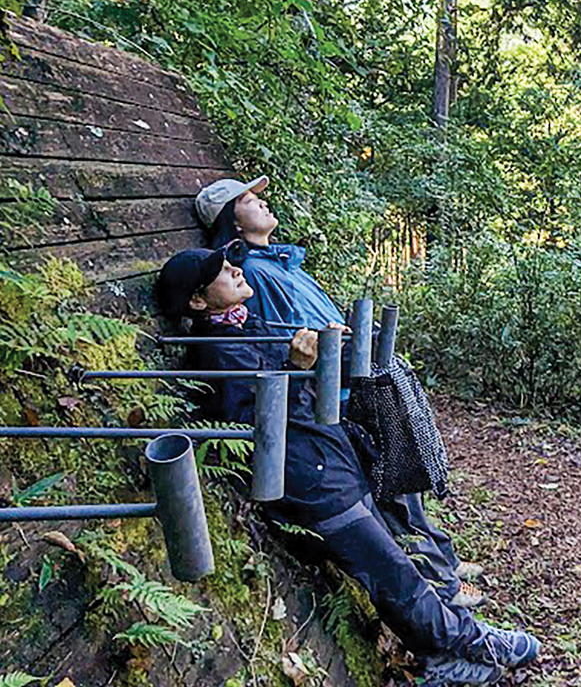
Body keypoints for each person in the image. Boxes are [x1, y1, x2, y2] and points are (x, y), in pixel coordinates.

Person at [155, 246, 539, 685]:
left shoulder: (249, 324)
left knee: (390, 566)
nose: (234, 268)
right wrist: (295, 366)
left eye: (228, 262)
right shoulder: (216, 351)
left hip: (330, 462)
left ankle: (440, 661)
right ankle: (477, 642)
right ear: (199, 302)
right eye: (220, 271)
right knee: (391, 571)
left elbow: (297, 400)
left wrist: (324, 354)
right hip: (311, 481)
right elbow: (255, 430)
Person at [195, 176, 485, 608]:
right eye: (251, 201)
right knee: (390, 473)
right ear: (231, 224)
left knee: (404, 467)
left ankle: (438, 556)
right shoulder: (255, 272)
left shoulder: (282, 262)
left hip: (350, 377)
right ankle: (436, 577)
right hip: (334, 392)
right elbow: (289, 344)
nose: (263, 203)